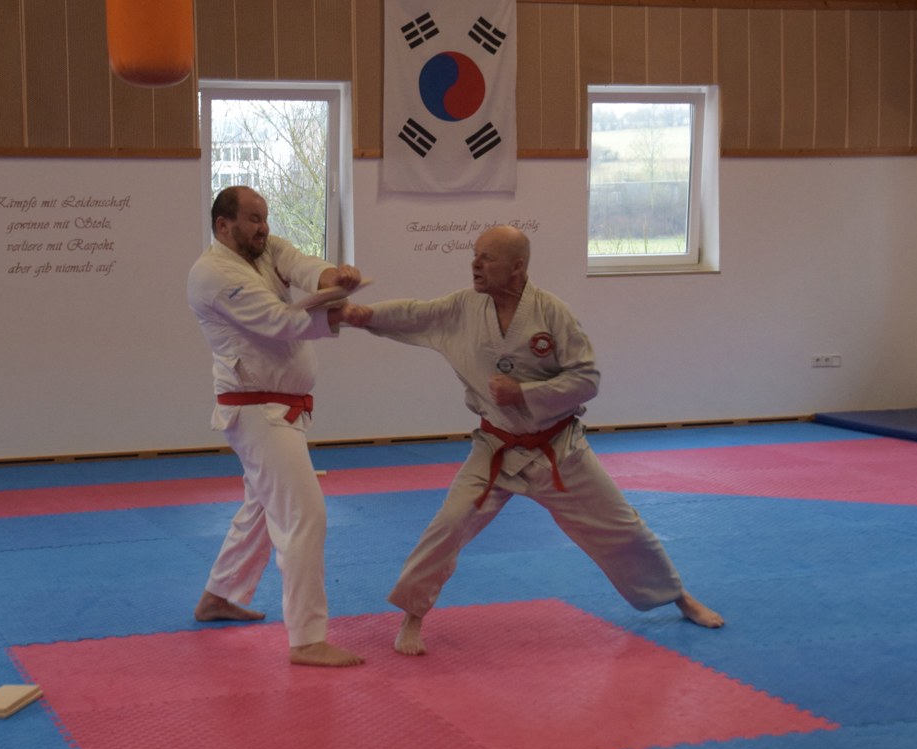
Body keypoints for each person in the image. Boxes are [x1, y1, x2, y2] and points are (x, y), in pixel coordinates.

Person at [343, 225, 724, 656]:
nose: (475, 264)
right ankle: (412, 617)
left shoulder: (552, 313)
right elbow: (417, 314)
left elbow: (587, 379)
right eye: (475, 255)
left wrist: (524, 393)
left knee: (623, 527)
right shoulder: (465, 307)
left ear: (517, 267)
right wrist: (366, 316)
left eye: (487, 257)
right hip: (495, 449)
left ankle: (678, 596)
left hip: (558, 448)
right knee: (448, 526)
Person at [186, 186, 365, 668]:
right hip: (256, 412)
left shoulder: (264, 251)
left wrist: (335, 277)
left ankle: (219, 596)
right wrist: (339, 311)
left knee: (262, 508)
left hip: (277, 408)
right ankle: (307, 638)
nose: (263, 227)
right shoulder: (212, 273)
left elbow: (302, 265)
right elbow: (278, 321)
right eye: (252, 219)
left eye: (264, 217)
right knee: (305, 515)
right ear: (223, 225)